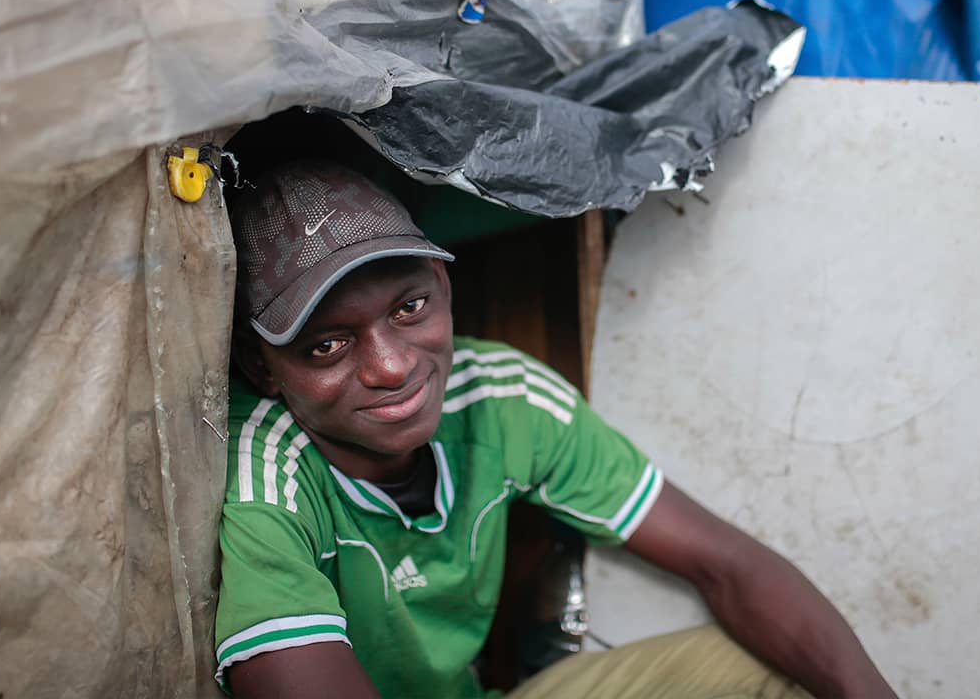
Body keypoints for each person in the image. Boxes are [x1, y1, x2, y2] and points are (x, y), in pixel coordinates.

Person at [215, 160, 896, 699]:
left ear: (444, 288)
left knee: (773, 671)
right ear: (262, 366)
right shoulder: (263, 474)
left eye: (409, 307)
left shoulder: (503, 397)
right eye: (327, 346)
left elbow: (728, 565)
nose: (392, 367)